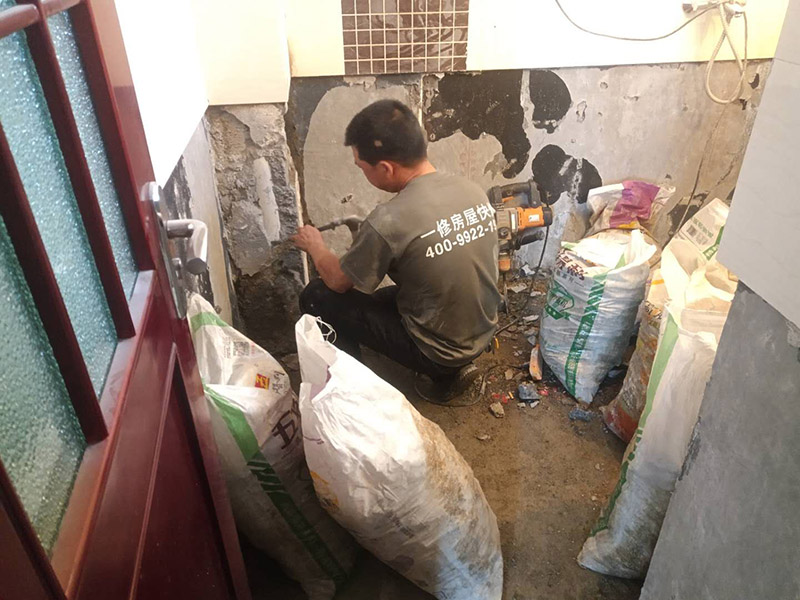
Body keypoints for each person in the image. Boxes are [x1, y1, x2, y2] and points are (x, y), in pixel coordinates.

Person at [292, 99, 500, 403]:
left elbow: (337, 281)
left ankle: (353, 394)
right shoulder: (471, 190)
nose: (362, 172)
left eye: (361, 167)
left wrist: (315, 246)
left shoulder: (389, 219)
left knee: (318, 296)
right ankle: (457, 364)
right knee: (381, 299)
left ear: (386, 168)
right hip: (481, 331)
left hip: (439, 352)